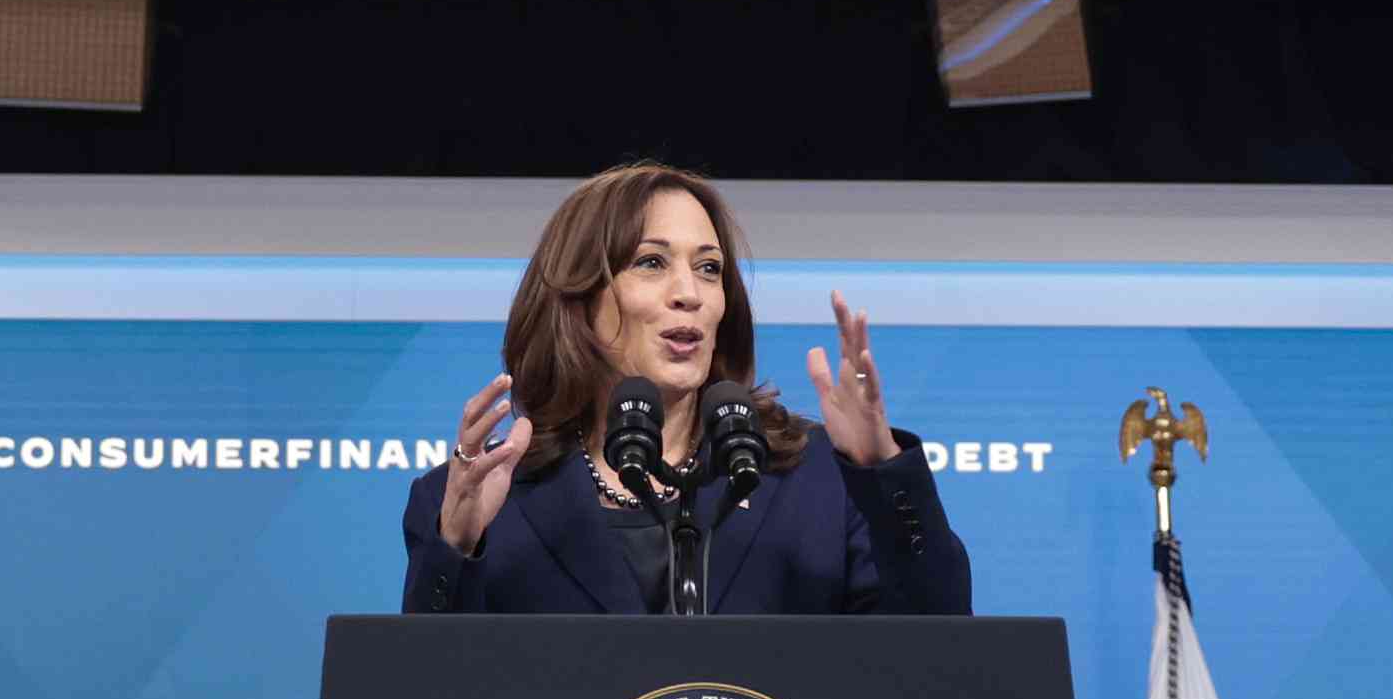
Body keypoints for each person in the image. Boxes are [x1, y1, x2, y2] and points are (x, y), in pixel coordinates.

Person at [401, 161, 969, 616]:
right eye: (651, 263)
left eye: (708, 268)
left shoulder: (818, 478)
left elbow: (941, 661)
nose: (689, 294)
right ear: (579, 296)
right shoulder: (482, 502)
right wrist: (454, 547)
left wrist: (881, 472)